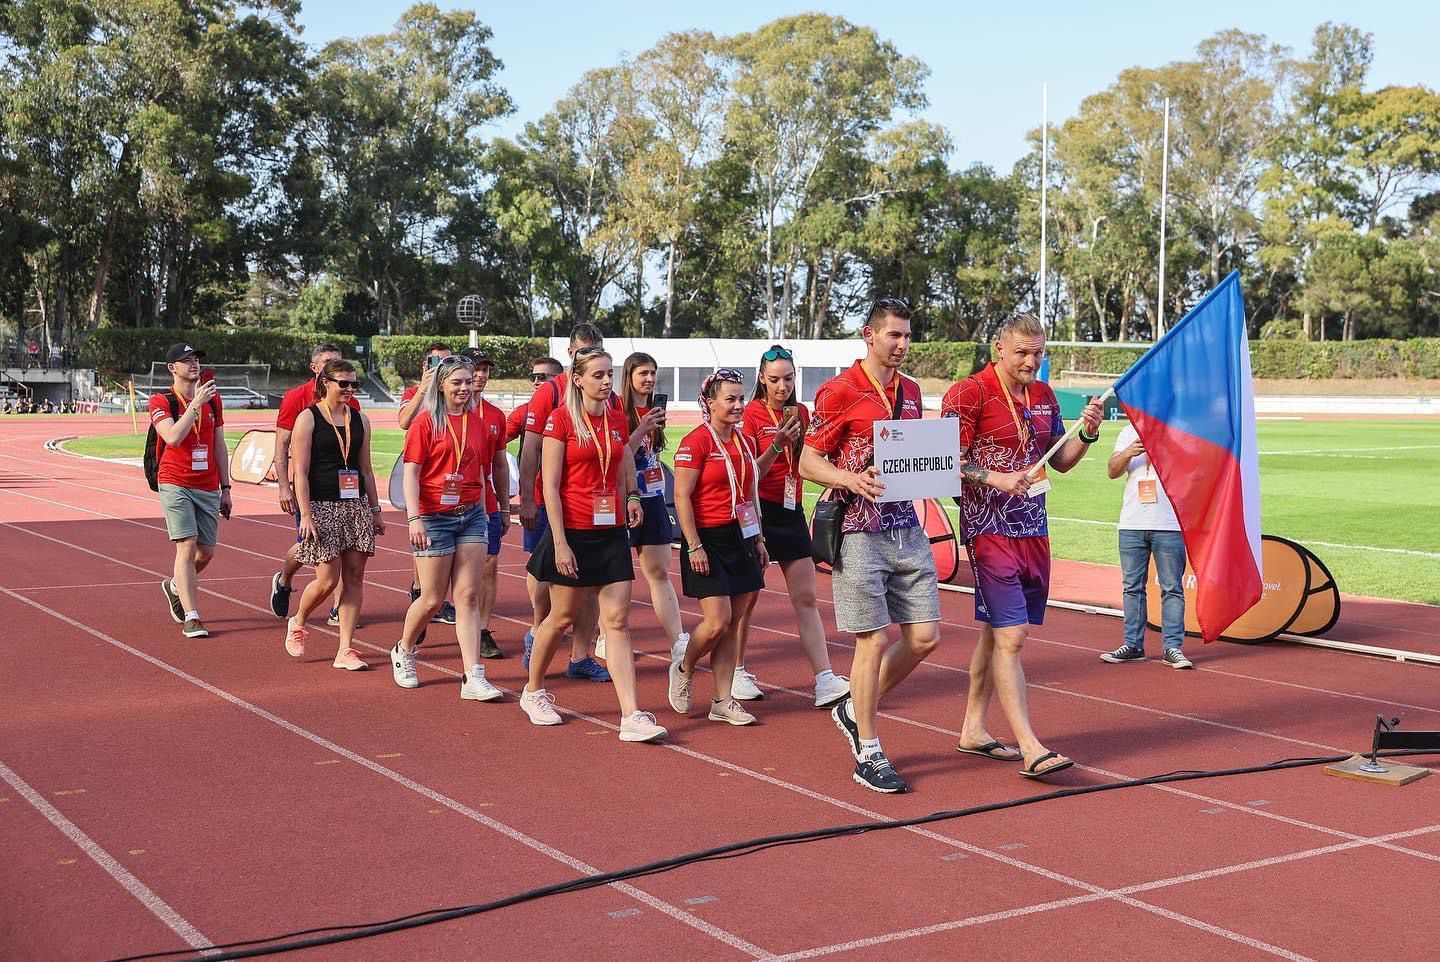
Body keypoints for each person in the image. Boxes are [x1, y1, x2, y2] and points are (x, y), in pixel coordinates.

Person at [943, 313, 1104, 780]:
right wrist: (994, 478)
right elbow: (941, 460)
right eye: (1022, 352)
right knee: (1012, 636)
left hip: (1032, 526)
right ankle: (1031, 747)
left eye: (1038, 351)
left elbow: (1063, 460)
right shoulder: (968, 393)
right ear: (998, 348)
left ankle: (973, 727)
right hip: (988, 526)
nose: (1032, 360)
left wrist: (1088, 432)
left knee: (997, 631)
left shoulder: (1045, 396)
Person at [800, 300, 938, 793]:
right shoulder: (839, 391)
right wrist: (849, 479)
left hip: (907, 526)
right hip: (857, 529)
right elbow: (808, 461)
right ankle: (870, 750)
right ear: (869, 335)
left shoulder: (915, 392)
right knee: (873, 640)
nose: (901, 345)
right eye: (893, 336)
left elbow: (915, 454)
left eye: (906, 336)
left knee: (925, 637)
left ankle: (853, 708)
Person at [520, 348, 667, 743]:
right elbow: (550, 486)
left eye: (610, 374)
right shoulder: (560, 421)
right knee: (561, 617)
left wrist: (632, 496)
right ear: (579, 379)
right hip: (574, 531)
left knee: (617, 621)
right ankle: (533, 691)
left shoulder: (617, 419)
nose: (606, 381)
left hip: (612, 531)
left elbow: (622, 464)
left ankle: (631, 714)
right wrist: (561, 544)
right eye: (598, 375)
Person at [736, 345, 850, 708]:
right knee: (748, 598)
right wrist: (777, 445)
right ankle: (736, 671)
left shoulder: (800, 412)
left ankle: (824, 678)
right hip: (757, 509)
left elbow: (806, 464)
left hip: (791, 510)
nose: (782, 386)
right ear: (761, 379)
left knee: (806, 597)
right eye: (774, 380)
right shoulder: (750, 414)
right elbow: (747, 474)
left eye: (788, 379)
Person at [391, 354, 503, 704]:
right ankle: (404, 649)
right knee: (432, 598)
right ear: (441, 385)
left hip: (471, 514)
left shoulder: (480, 425)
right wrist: (414, 518)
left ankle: (473, 674)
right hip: (433, 516)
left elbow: (483, 473)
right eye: (457, 382)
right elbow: (411, 472)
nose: (464, 388)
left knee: (468, 595)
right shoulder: (425, 423)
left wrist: (488, 510)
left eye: (468, 382)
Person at [670, 369, 768, 728]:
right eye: (731, 399)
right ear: (709, 403)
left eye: (742, 398)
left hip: (740, 536)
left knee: (733, 622)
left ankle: (722, 700)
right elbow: (681, 496)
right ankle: (684, 667)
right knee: (717, 621)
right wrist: (693, 544)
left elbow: (749, 493)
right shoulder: (695, 443)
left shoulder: (744, 442)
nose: (739, 405)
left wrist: (758, 539)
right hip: (706, 539)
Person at [518, 325, 610, 682]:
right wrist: (527, 498)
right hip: (550, 501)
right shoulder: (549, 393)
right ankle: (536, 628)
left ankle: (580, 655)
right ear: (571, 355)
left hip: (595, 511)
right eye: (584, 352)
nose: (590, 357)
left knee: (589, 587)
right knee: (544, 575)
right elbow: (530, 449)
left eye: (597, 351)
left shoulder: (608, 397)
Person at [284, 359, 384, 671]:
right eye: (344, 383)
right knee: (327, 580)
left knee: (354, 578)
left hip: (355, 506)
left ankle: (345, 649)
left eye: (355, 384)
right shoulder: (308, 418)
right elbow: (300, 472)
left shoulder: (360, 420)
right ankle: (298, 621)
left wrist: (376, 509)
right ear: (325, 382)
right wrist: (306, 515)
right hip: (321, 505)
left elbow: (365, 469)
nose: (350, 389)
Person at [270, 343, 359, 624]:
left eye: (338, 361)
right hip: (312, 489)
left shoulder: (350, 398)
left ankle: (337, 609)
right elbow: (282, 443)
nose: (334, 365)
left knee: (342, 551)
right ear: (315, 368)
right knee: (309, 544)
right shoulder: (297, 398)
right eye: (327, 362)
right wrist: (285, 485)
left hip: (346, 490)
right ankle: (284, 580)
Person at [150, 343, 232, 639]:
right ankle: (193, 616)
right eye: (187, 360)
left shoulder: (214, 400)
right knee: (187, 544)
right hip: (175, 481)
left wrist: (226, 487)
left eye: (196, 358)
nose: (194, 363)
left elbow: (219, 445)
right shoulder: (161, 401)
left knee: (206, 552)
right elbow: (172, 437)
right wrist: (195, 405)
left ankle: (174, 586)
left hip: (208, 484)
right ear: (173, 367)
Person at [1102, 423, 1192, 668]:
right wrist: (1129, 451)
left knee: (1172, 587)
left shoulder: (1179, 432)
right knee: (1132, 587)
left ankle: (1173, 647)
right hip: (1132, 522)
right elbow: (1112, 471)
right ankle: (1133, 645)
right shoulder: (1128, 433)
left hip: (1169, 523)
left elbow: (1193, 472)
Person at [618, 352, 689, 659]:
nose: (649, 379)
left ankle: (678, 640)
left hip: (654, 497)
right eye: (643, 373)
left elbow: (653, 454)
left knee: (659, 571)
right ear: (629, 376)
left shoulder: (656, 409)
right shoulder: (616, 410)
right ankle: (608, 634)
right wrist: (641, 429)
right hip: (621, 499)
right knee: (616, 576)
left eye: (652, 373)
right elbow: (618, 453)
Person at [397, 342, 459, 627]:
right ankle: (422, 596)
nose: (440, 367)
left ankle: (432, 598)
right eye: (435, 362)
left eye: (446, 362)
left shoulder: (455, 395)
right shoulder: (414, 392)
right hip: (421, 477)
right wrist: (424, 389)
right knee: (423, 543)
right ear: (425, 366)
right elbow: (403, 422)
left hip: (452, 482)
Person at [461, 347, 511, 660]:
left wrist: (505, 507)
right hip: (448, 503)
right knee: (444, 576)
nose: (480, 375)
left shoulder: (495, 416)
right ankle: (425, 603)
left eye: (485, 369)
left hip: (487, 502)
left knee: (490, 566)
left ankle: (482, 630)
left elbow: (500, 464)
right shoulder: (440, 411)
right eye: (475, 369)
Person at [506, 357, 564, 444]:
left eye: (541, 377)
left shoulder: (575, 409)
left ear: (559, 379)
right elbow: (496, 443)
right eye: (533, 378)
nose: (535, 382)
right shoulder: (522, 412)